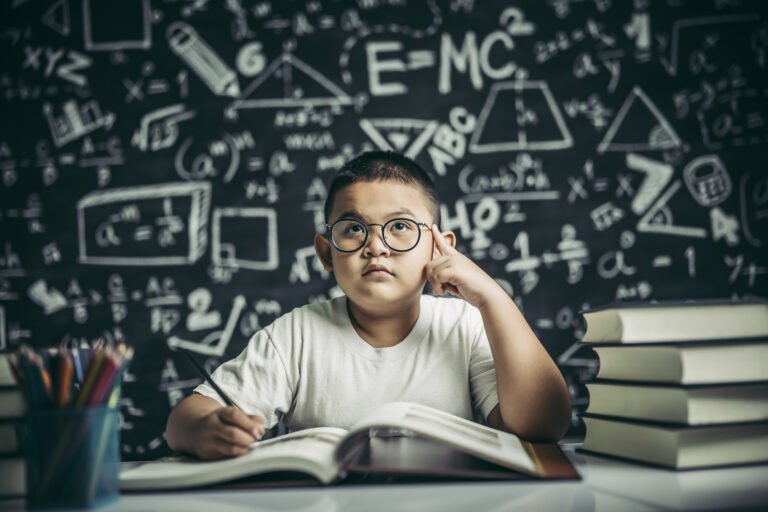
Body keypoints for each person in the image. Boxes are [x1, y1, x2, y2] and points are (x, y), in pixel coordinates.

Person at [166, 151, 571, 460]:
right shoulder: (295, 335)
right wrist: (204, 427)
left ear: (439, 246)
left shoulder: (463, 324)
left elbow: (544, 423)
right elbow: (182, 421)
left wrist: (491, 295)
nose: (375, 245)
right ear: (327, 254)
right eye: (354, 229)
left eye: (399, 227)